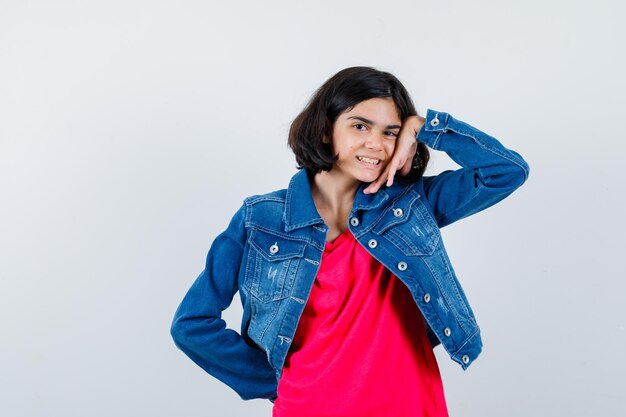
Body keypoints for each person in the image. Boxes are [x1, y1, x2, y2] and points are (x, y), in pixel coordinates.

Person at [170, 66, 530, 416]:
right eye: (360, 126)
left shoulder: (411, 204)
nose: (376, 144)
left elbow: (507, 172)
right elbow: (192, 322)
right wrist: (274, 378)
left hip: (411, 405)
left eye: (390, 132)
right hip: (307, 408)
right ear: (326, 130)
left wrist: (425, 127)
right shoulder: (260, 219)